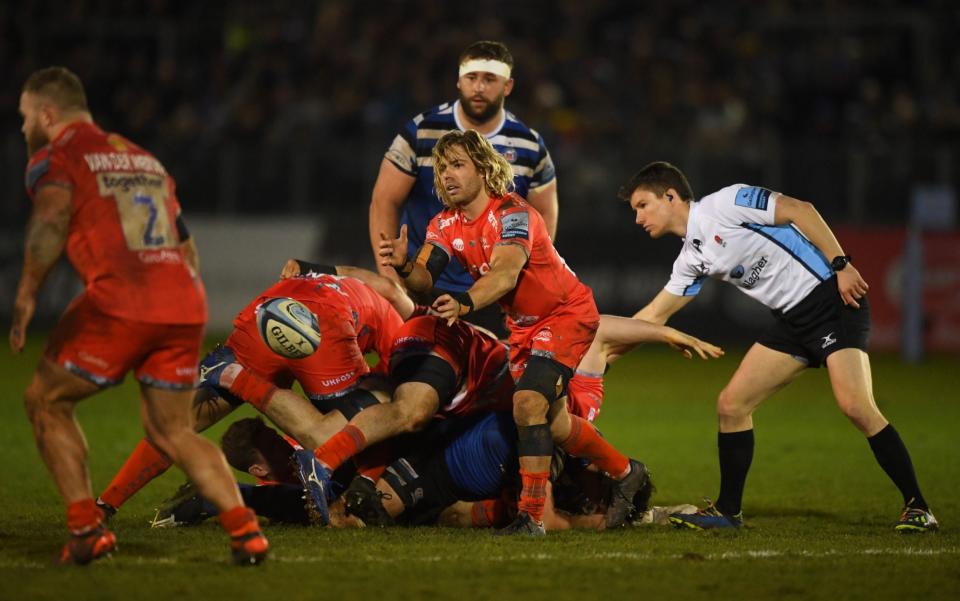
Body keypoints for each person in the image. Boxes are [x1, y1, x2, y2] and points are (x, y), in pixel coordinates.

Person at [9, 66, 268, 565]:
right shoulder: (143, 159)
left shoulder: (58, 156)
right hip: (182, 300)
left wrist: (26, 294)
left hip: (122, 299)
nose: (22, 129)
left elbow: (50, 221)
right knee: (173, 431)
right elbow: (185, 243)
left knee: (45, 401)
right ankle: (245, 531)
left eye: (24, 118)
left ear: (46, 114)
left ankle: (86, 529)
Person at [620, 161, 938, 532]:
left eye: (642, 205)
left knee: (855, 406)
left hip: (831, 301)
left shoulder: (725, 203)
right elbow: (652, 317)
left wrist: (842, 265)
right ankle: (728, 511)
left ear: (670, 196)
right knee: (732, 404)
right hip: (793, 321)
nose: (638, 218)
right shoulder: (691, 257)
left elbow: (801, 210)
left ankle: (919, 507)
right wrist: (601, 350)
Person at [374, 129, 648, 536]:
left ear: (483, 168)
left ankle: (531, 516)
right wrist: (404, 267)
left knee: (527, 402)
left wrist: (465, 302)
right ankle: (628, 473)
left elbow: (505, 273)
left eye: (458, 165)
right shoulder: (444, 223)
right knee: (551, 422)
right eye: (443, 167)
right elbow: (423, 280)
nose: (447, 175)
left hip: (565, 313)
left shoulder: (513, 213)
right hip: (523, 328)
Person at [96, 267, 406, 522]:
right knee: (344, 434)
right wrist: (369, 478)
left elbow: (387, 286)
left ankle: (105, 504)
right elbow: (389, 415)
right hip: (323, 322)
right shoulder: (403, 336)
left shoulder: (363, 285)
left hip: (268, 309)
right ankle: (238, 378)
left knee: (175, 425)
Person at [369, 40, 558, 336]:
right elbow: (384, 201)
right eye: (472, 78)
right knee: (417, 376)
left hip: (494, 292)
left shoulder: (529, 144)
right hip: (425, 284)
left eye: (490, 79)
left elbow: (544, 216)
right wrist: (392, 279)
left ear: (508, 86)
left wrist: (524, 278)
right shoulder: (422, 131)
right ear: (459, 81)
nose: (479, 87)